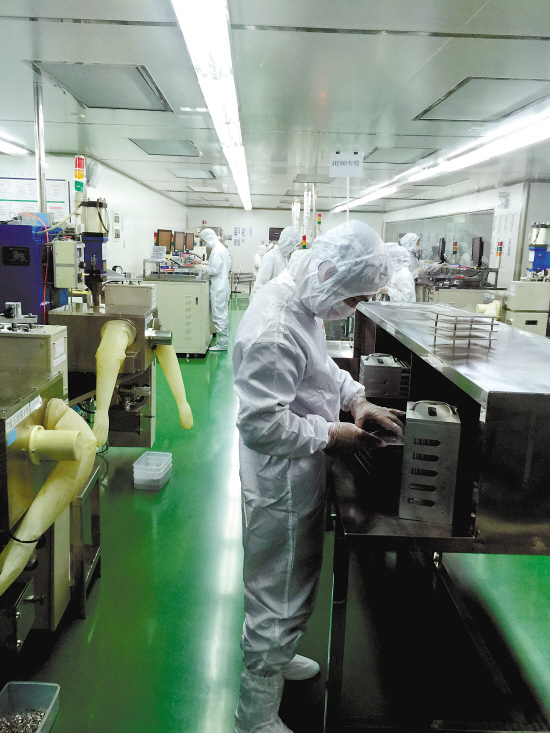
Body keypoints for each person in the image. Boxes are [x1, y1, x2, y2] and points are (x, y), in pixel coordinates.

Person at [232, 220, 405, 733]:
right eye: (354, 299)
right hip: (279, 479)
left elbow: (321, 371)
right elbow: (261, 425)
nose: (353, 308)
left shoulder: (302, 304)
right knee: (277, 592)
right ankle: (255, 715)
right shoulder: (275, 327)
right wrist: (332, 434)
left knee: (294, 578)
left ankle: (279, 658)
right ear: (329, 274)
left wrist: (357, 401)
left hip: (298, 467)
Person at [200, 228, 231, 352]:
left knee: (218, 315)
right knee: (221, 314)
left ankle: (223, 343)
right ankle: (222, 341)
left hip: (218, 287)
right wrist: (208, 265)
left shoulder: (216, 251)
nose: (204, 243)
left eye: (204, 241)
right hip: (223, 285)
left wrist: (203, 268)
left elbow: (215, 270)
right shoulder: (221, 248)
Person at [250, 226, 301, 301]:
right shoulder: (271, 256)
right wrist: (254, 304)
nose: (294, 249)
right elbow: (259, 284)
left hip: (275, 301)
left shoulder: (284, 258)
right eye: (294, 246)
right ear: (288, 243)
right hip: (266, 302)